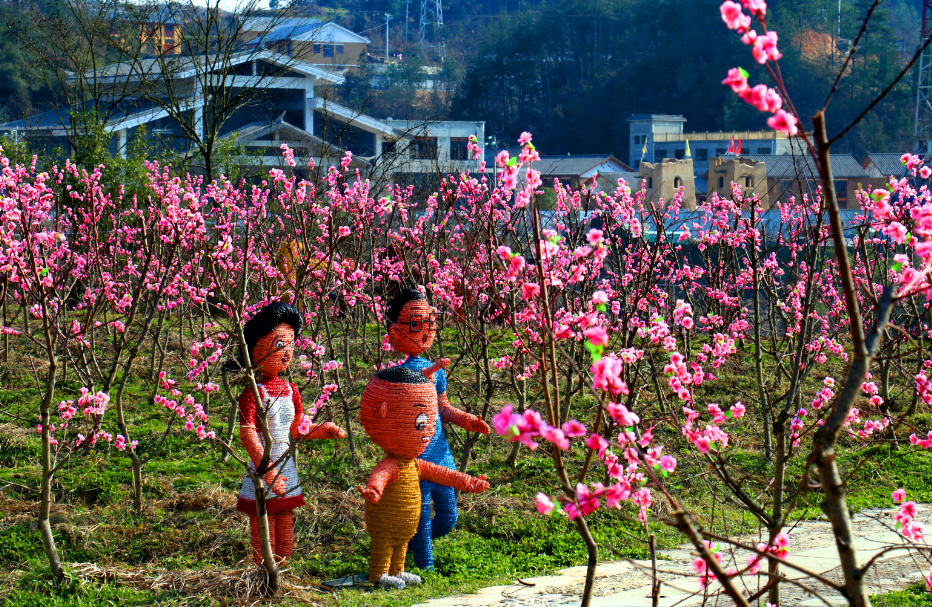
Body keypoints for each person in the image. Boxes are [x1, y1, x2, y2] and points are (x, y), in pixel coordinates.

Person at [384, 289, 490, 571]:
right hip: (415, 459)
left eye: (429, 324)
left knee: (448, 517)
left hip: (441, 455)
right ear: (397, 330)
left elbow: (443, 407)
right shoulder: (399, 376)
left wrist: (468, 420)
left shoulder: (438, 372)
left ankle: (410, 542)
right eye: (415, 325)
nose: (425, 332)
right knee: (419, 516)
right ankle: (424, 567)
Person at [233, 301, 346, 566]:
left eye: (291, 345)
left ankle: (283, 573)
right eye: (279, 345)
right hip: (265, 467)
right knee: (264, 524)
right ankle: (265, 575)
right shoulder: (252, 393)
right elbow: (248, 434)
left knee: (285, 523)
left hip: (286, 464)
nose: (287, 353)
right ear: (256, 348)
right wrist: (267, 468)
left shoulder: (290, 389)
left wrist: (322, 430)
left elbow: (297, 429)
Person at [357, 365, 489, 589]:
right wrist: (374, 490)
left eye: (429, 422)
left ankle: (397, 570)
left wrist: (469, 482)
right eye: (420, 424)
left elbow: (445, 475)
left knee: (403, 541)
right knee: (386, 542)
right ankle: (379, 573)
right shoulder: (391, 464)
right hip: (386, 521)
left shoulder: (416, 464)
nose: (426, 432)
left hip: (406, 523)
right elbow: (379, 476)